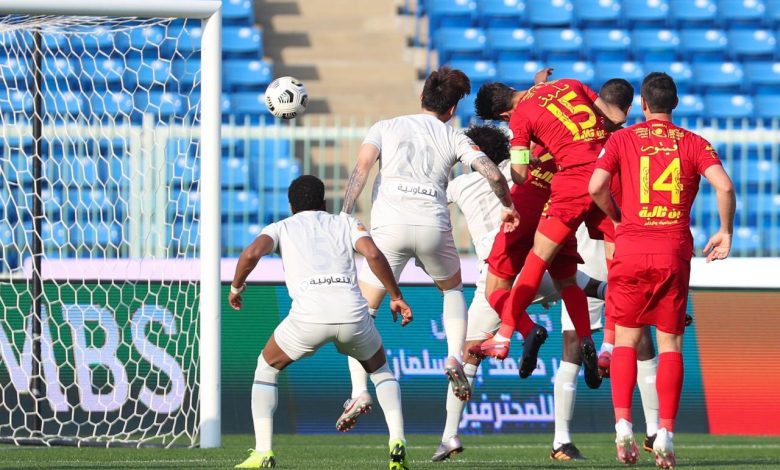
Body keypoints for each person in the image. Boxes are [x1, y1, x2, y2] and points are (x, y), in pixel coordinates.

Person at [336, 67, 519, 432]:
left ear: (422, 97)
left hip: (389, 229)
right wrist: (508, 205)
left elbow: (362, 169)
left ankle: (359, 391)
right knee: (451, 290)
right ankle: (452, 357)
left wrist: (344, 217)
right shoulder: (454, 136)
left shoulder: (385, 127)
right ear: (452, 109)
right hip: (433, 225)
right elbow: (494, 174)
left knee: (363, 311)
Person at [589, 72, 735, 468]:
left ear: (642, 104)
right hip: (672, 251)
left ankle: (623, 426)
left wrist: (617, 218)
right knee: (670, 344)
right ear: (675, 104)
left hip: (631, 248)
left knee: (625, 340)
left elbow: (596, 186)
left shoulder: (622, 139)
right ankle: (665, 433)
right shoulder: (694, 142)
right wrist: (725, 231)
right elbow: (724, 186)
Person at [435, 124, 606, 462]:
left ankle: (450, 435)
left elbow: (435, 194)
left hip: (497, 270)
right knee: (577, 284)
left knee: (469, 354)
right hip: (534, 266)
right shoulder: (520, 173)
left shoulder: (460, 184)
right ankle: (621, 295)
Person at [230, 175, 414, 470]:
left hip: (309, 318)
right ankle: (397, 440)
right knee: (380, 371)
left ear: (291, 206)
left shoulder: (280, 227)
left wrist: (236, 287)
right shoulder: (346, 222)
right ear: (324, 203)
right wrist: (396, 296)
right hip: (353, 314)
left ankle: (263, 452)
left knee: (266, 366)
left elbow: (251, 254)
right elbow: (373, 253)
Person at [471, 77, 634, 391]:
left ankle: (507, 334)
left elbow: (519, 175)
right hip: (606, 174)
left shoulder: (521, 118)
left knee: (528, 265)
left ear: (503, 116)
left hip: (564, 189)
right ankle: (601, 343)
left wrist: (521, 156)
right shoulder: (568, 84)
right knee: (600, 268)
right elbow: (611, 117)